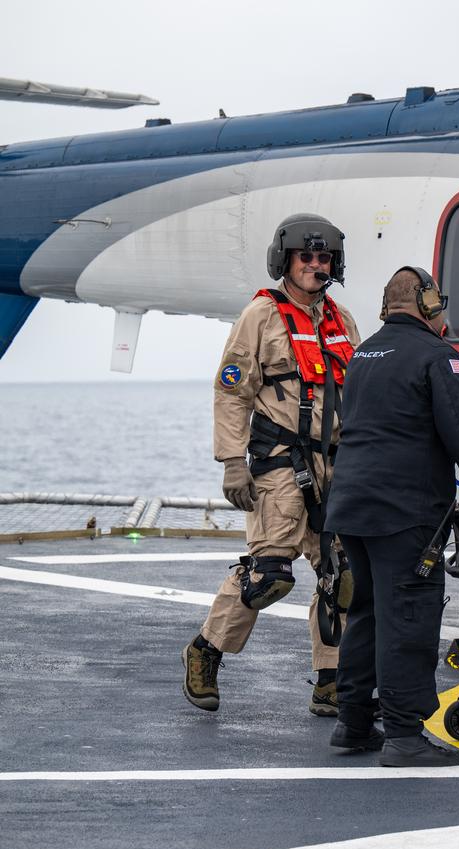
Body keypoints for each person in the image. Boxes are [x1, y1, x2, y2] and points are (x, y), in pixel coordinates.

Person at [323, 266, 459, 767]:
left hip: (352, 508)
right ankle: (403, 735)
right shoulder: (439, 358)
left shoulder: (364, 355)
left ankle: (354, 722)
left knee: (368, 613)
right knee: (408, 617)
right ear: (428, 305)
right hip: (403, 512)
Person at [182, 213, 360, 716]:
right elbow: (231, 390)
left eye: (324, 257)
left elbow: (362, 394)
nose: (315, 265)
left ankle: (331, 679)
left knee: (340, 572)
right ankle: (204, 651)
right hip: (280, 462)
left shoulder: (341, 321)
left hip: (336, 465)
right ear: (286, 259)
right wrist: (232, 462)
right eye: (306, 256)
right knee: (268, 575)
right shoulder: (259, 317)